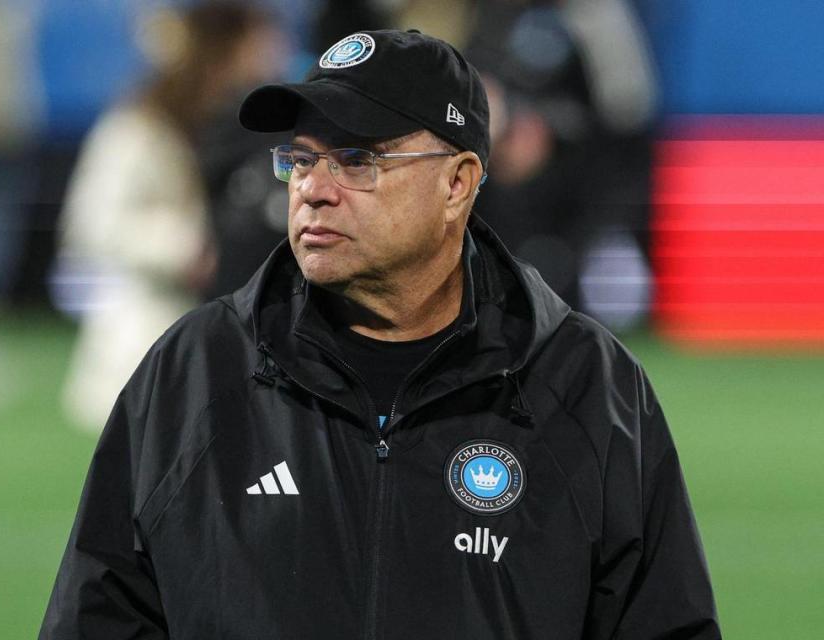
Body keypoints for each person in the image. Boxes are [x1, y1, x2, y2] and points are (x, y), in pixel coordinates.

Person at [40, 29, 721, 639]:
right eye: (300, 160)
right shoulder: (194, 372)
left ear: (457, 184)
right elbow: (98, 618)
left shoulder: (585, 384)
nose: (313, 188)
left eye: (357, 159)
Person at [58, 3, 284, 431]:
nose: (273, 58)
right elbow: (92, 222)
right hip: (157, 323)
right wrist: (187, 249)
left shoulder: (269, 127)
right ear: (221, 49)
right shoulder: (143, 125)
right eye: (261, 45)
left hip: (247, 327)